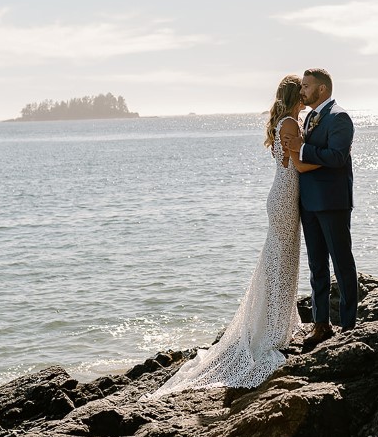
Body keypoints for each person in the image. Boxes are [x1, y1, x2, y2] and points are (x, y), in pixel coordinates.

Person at [143, 75, 318, 399]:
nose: (308, 93)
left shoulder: (285, 121)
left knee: (279, 261)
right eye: (304, 90)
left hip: (282, 197)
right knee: (281, 262)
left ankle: (277, 322)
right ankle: (274, 331)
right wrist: (326, 159)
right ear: (297, 94)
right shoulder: (291, 123)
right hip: (284, 200)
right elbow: (300, 164)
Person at [281, 68, 357, 353]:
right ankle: (321, 324)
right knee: (316, 267)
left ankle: (349, 325)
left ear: (322, 89)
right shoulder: (310, 117)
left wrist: (301, 149)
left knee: (342, 263)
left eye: (306, 86)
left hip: (333, 202)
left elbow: (337, 157)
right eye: (302, 86)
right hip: (309, 203)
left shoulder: (340, 118)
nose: (302, 91)